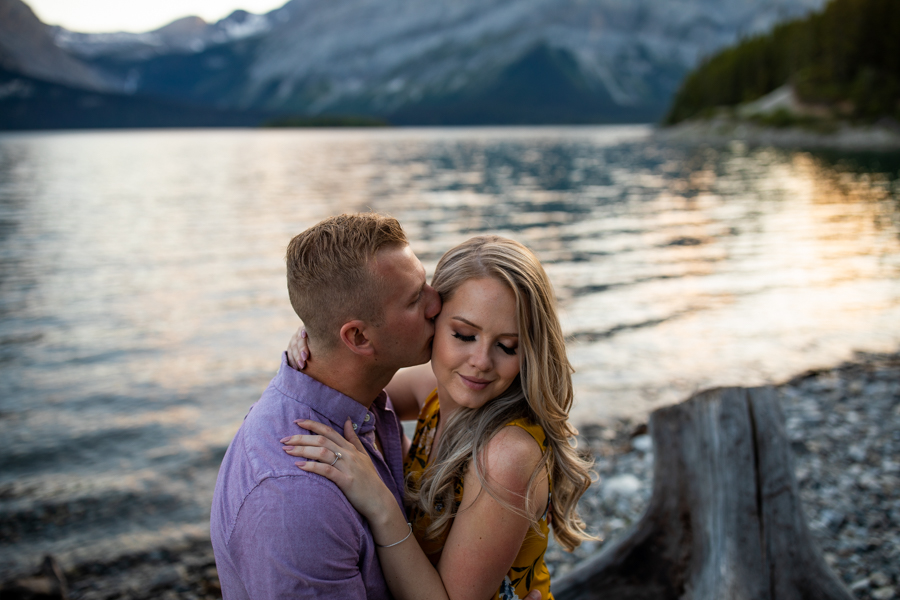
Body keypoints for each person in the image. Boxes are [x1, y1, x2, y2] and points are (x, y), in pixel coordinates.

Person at [282, 235, 594, 600]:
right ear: (431, 319)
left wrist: (380, 504)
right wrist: (317, 340)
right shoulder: (431, 389)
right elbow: (351, 393)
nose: (481, 362)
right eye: (463, 335)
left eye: (508, 346)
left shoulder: (506, 455)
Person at [210, 213, 443, 598]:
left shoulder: (363, 402)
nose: (438, 303)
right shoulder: (297, 500)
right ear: (358, 338)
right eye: (416, 298)